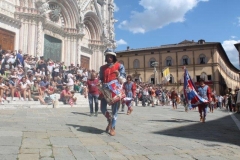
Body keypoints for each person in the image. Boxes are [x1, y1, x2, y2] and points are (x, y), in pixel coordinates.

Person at [99, 49, 126, 136]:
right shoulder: (102, 68)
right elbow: (101, 79)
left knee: (115, 111)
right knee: (103, 109)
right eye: (107, 56)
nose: (109, 58)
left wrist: (118, 75)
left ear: (113, 57)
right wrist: (99, 83)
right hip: (105, 90)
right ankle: (109, 120)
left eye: (111, 56)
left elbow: (123, 79)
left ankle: (113, 127)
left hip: (115, 90)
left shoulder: (120, 66)